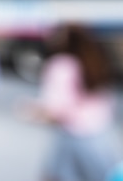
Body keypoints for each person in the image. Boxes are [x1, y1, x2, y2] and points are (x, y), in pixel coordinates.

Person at [20, 24, 122, 181]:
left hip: (73, 139)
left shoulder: (61, 64)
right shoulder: (95, 60)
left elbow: (55, 110)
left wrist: (30, 111)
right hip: (100, 137)